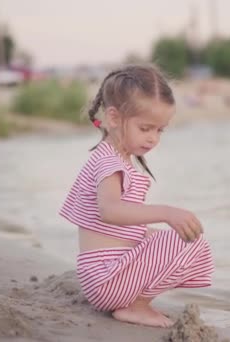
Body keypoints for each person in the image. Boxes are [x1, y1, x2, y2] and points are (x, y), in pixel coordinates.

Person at [59, 64, 214, 328]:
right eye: (145, 128)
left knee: (188, 239)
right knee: (185, 242)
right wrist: (166, 213)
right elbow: (110, 211)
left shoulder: (113, 157)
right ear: (115, 118)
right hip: (105, 280)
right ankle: (135, 305)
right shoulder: (110, 163)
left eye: (159, 130)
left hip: (106, 278)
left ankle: (134, 301)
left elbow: (116, 230)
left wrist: (154, 235)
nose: (153, 138)